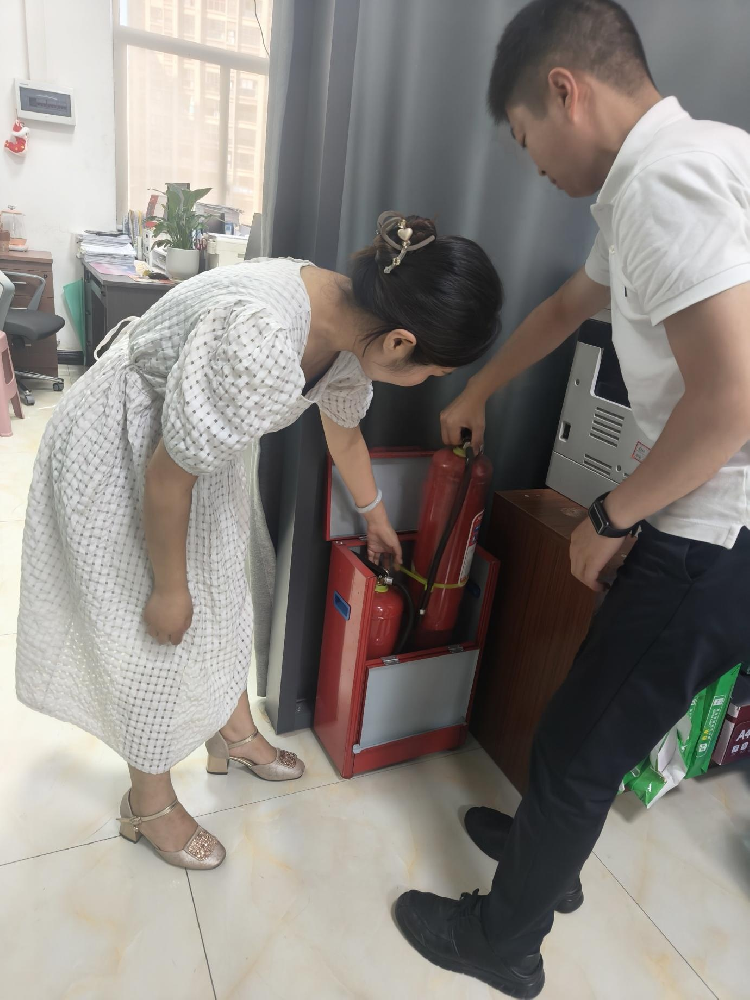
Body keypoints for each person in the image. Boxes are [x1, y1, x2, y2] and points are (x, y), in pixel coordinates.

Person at [394, 1, 750, 996]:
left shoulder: (666, 184)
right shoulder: (684, 163)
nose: (533, 165)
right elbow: (564, 307)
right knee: (587, 722)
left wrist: (611, 515)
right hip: (704, 509)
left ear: (565, 91)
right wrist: (477, 391)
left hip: (714, 527)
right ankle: (543, 860)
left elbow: (731, 400)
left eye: (524, 138)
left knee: (580, 744)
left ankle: (503, 941)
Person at [16, 212, 502, 870]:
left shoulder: (352, 321)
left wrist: (375, 515)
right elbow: (165, 479)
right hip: (127, 444)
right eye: (432, 372)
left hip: (189, 453)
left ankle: (234, 732)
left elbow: (343, 428)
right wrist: (169, 589)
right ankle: (148, 803)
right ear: (399, 343)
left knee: (224, 597)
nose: (428, 382)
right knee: (158, 631)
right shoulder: (263, 336)